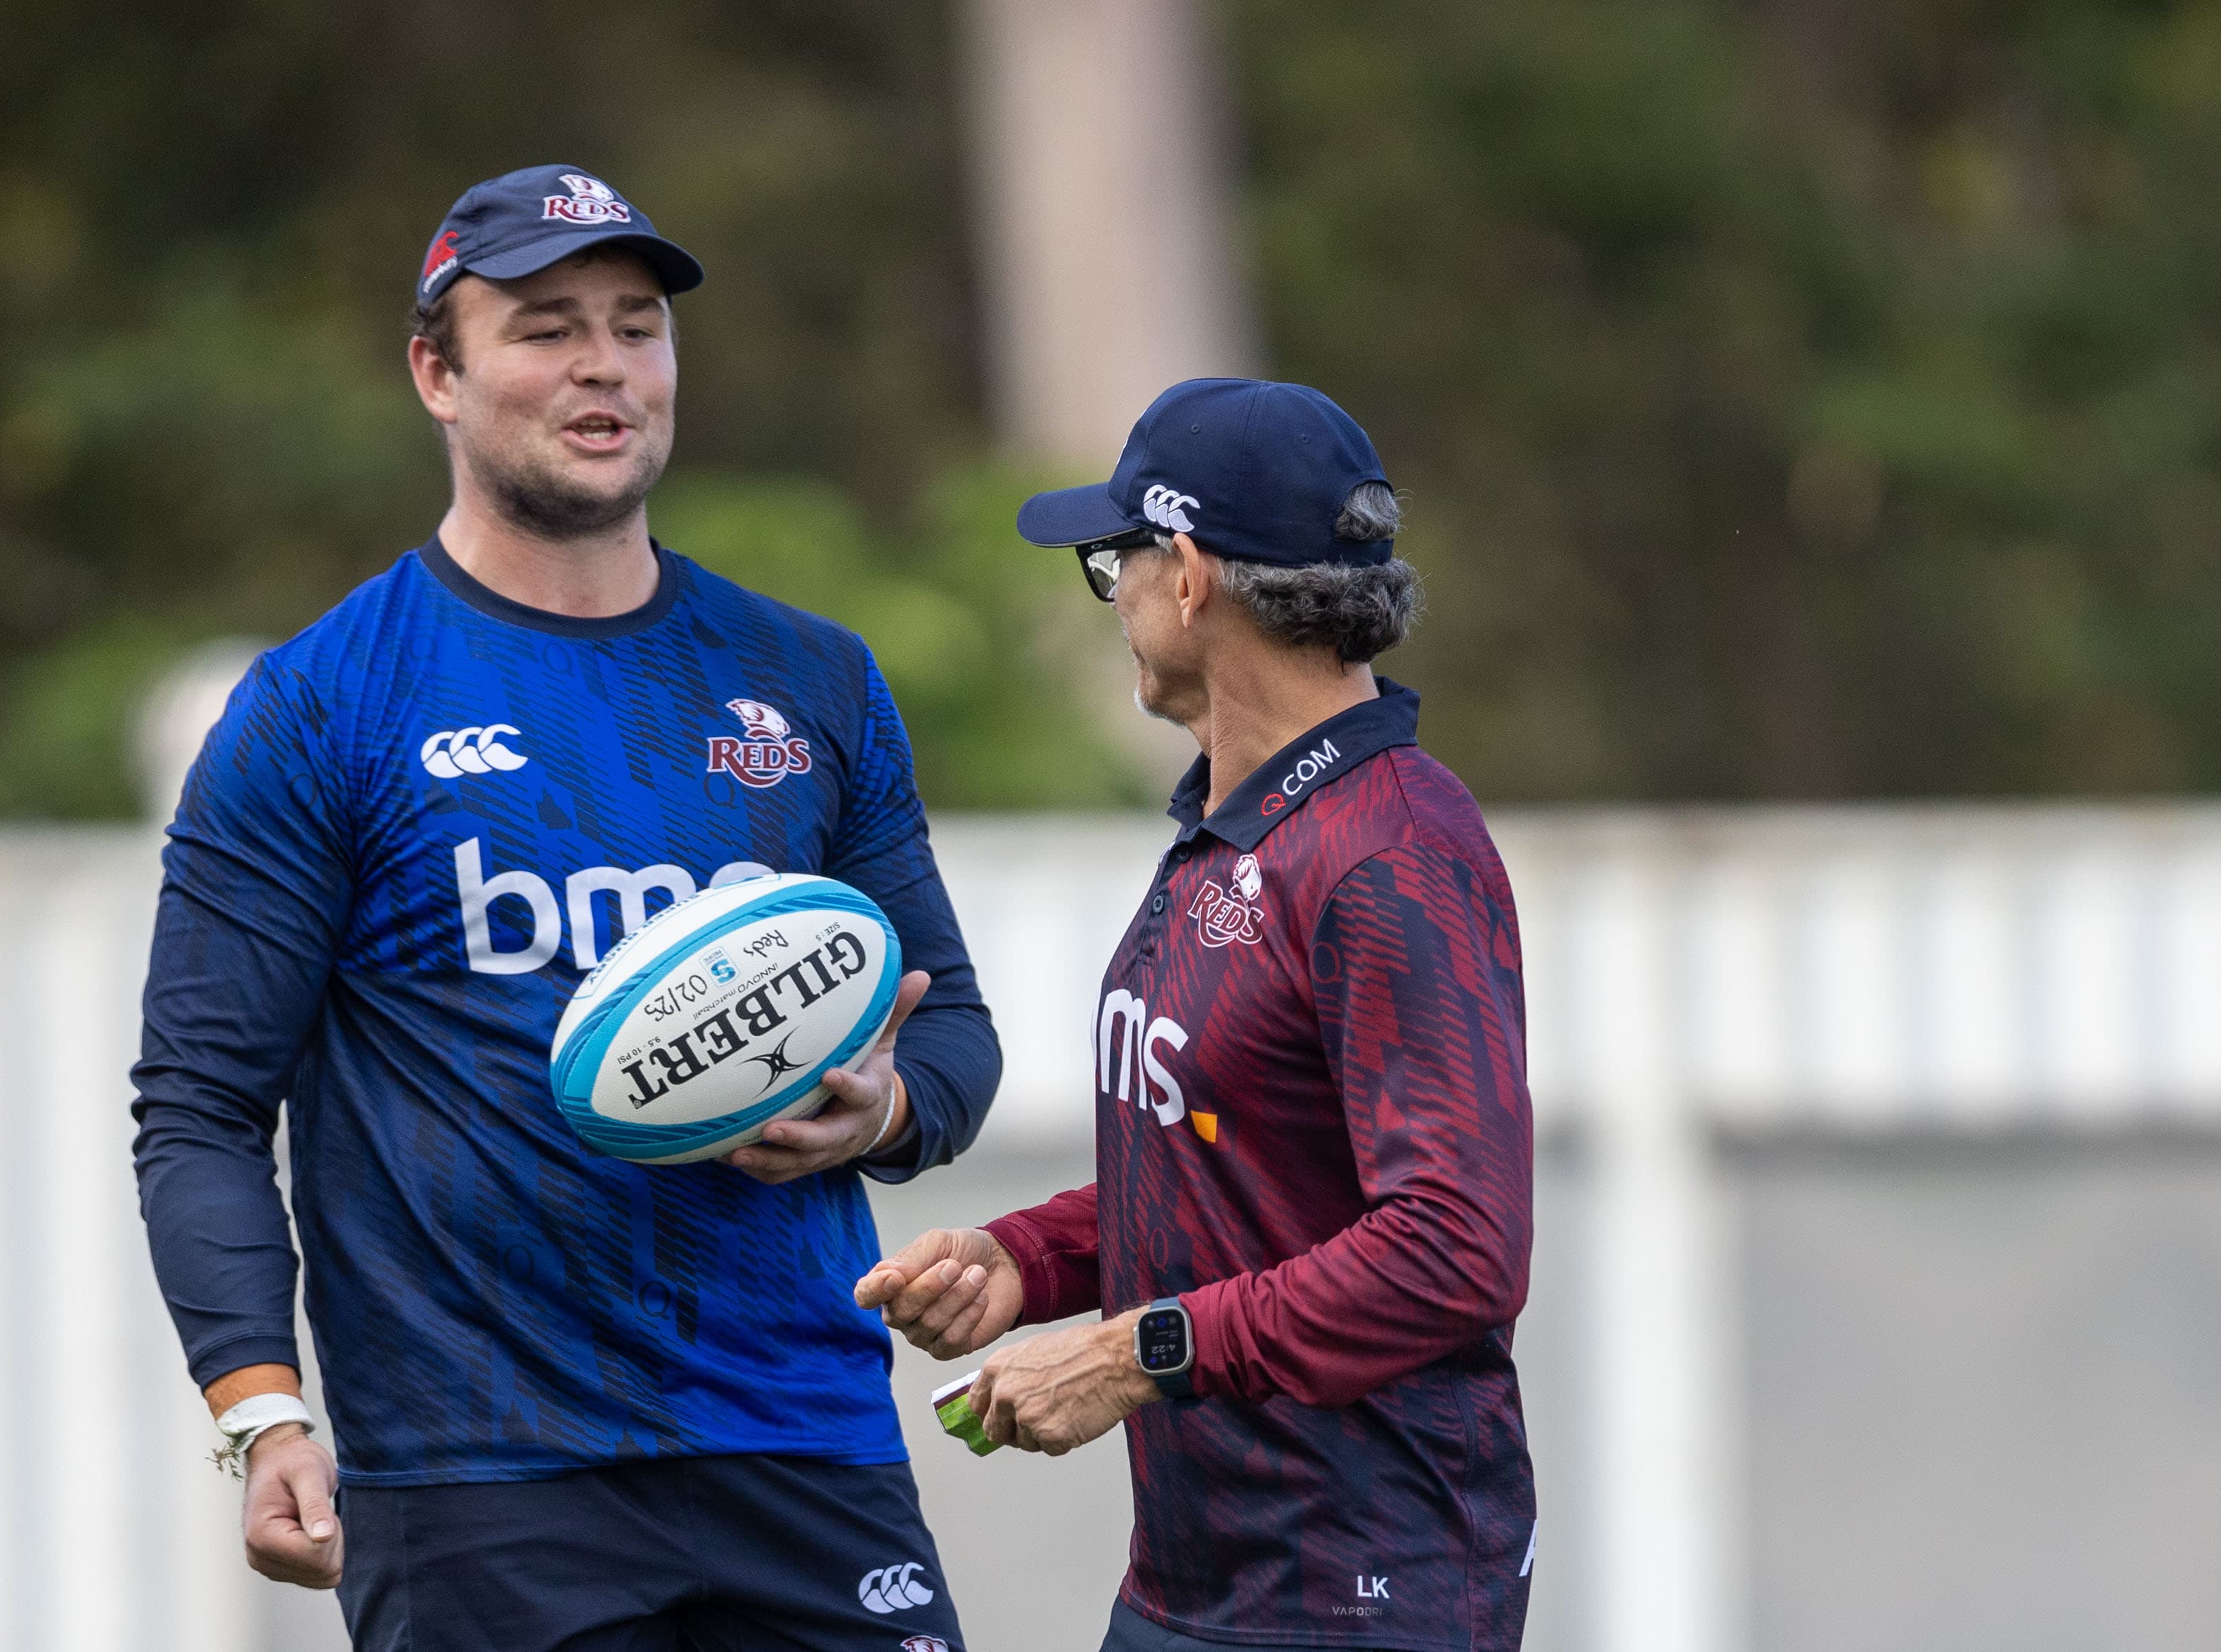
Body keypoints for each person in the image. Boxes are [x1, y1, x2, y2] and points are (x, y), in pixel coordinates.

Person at [131, 164, 995, 1652]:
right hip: (480, 1477)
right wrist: (258, 1413)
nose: (602, 362)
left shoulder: (810, 678)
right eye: (542, 325)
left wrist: (884, 1113)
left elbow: (955, 1035)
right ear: (436, 372)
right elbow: (199, 1106)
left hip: (801, 1435)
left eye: (636, 323)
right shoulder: (323, 705)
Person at [855, 379, 1537, 1651]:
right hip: (1200, 1589)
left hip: (1358, 1596)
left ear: (1182, 575)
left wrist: (1131, 1355)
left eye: (1108, 561)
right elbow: (1250, 1179)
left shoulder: (1391, 847)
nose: (1108, 598)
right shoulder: (1234, 824)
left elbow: (1456, 1248)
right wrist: (1031, 1260)